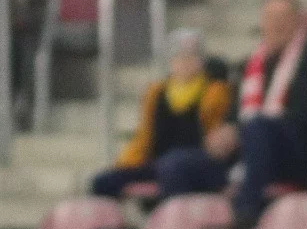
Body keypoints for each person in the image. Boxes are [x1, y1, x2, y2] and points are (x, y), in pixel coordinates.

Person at [211, 0, 307, 229]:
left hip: (302, 154)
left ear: (299, 20)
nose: (276, 24)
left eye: (284, 17)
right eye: (270, 17)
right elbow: (235, 113)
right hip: (247, 150)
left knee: (257, 127)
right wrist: (225, 132)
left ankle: (246, 213)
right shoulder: (251, 64)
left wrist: (242, 131)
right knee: (177, 164)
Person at [89, 29, 233, 201]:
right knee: (103, 181)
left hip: (199, 163)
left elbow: (217, 138)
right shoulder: (156, 93)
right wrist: (124, 165)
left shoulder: (215, 91)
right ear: (171, 62)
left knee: (173, 166)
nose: (185, 62)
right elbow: (144, 136)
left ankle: (178, 223)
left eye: (192, 56)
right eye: (180, 56)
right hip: (158, 163)